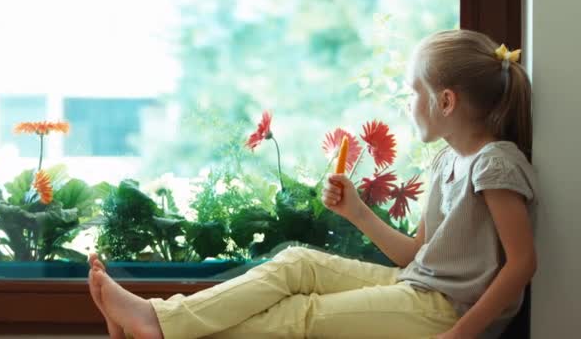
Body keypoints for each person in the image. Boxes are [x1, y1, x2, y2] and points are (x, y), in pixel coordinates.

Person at [87, 29, 538, 339]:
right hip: (418, 284)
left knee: (302, 316)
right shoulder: (446, 162)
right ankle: (156, 320)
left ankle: (156, 324)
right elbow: (417, 255)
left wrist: (461, 334)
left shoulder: (495, 163)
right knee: (296, 263)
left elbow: (522, 264)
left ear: (445, 100)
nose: (407, 104)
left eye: (411, 92)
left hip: (447, 311)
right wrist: (357, 211)